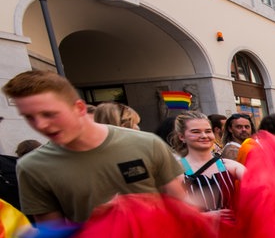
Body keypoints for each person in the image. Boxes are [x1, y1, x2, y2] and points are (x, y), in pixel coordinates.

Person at [2, 70, 186, 223]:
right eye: (29, 117)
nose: (40, 125)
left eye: (49, 114)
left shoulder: (147, 143)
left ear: (79, 108)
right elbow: (52, 232)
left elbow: (181, 208)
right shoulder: (32, 167)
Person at [171, 111, 245, 213]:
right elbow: (170, 211)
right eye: (196, 132)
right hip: (196, 228)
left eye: (208, 131)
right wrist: (204, 217)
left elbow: (259, 188)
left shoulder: (230, 166)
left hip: (233, 228)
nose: (204, 136)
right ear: (182, 137)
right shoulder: (176, 171)